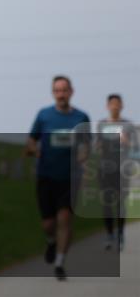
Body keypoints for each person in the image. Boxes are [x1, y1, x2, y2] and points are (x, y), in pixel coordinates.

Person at [25, 75, 90, 281]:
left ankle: (60, 263)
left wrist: (83, 156)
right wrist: (35, 151)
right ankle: (51, 242)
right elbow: (31, 140)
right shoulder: (44, 115)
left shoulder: (81, 118)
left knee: (65, 219)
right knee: (48, 223)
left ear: (71, 92)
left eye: (64, 90)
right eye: (57, 90)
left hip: (70, 178)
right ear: (53, 93)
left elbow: (86, 144)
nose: (61, 94)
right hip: (46, 176)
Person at [96, 94, 136, 252]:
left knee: (120, 203)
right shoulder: (101, 124)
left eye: (117, 104)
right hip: (105, 168)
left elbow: (136, 148)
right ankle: (109, 234)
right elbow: (97, 145)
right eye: (111, 104)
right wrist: (99, 146)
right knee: (106, 202)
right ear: (107, 106)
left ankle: (120, 234)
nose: (114, 106)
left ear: (121, 106)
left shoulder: (128, 125)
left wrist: (128, 143)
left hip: (122, 168)